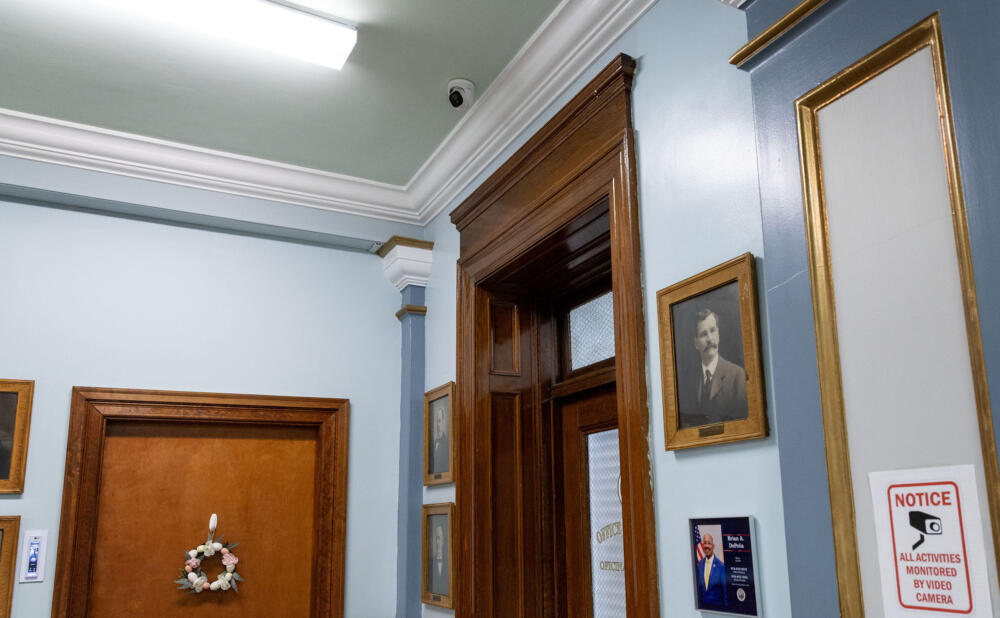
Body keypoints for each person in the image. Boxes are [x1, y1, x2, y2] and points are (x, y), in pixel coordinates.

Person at [688, 308, 747, 425]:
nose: (710, 339)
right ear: (696, 343)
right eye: (703, 334)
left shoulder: (737, 376)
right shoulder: (689, 379)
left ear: (718, 334)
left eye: (712, 331)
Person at [697, 533, 727, 608]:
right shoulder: (699, 565)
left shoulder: (721, 566)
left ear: (713, 546)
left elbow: (725, 594)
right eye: (705, 543)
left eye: (709, 543)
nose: (706, 546)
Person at [429, 522, 448, 594]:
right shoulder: (431, 561)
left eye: (439, 538)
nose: (437, 542)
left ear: (444, 540)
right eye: (436, 538)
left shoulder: (449, 562)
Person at [430, 401, 449, 473]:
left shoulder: (446, 443)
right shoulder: (434, 443)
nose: (438, 424)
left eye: (440, 421)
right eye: (437, 421)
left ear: (444, 422)